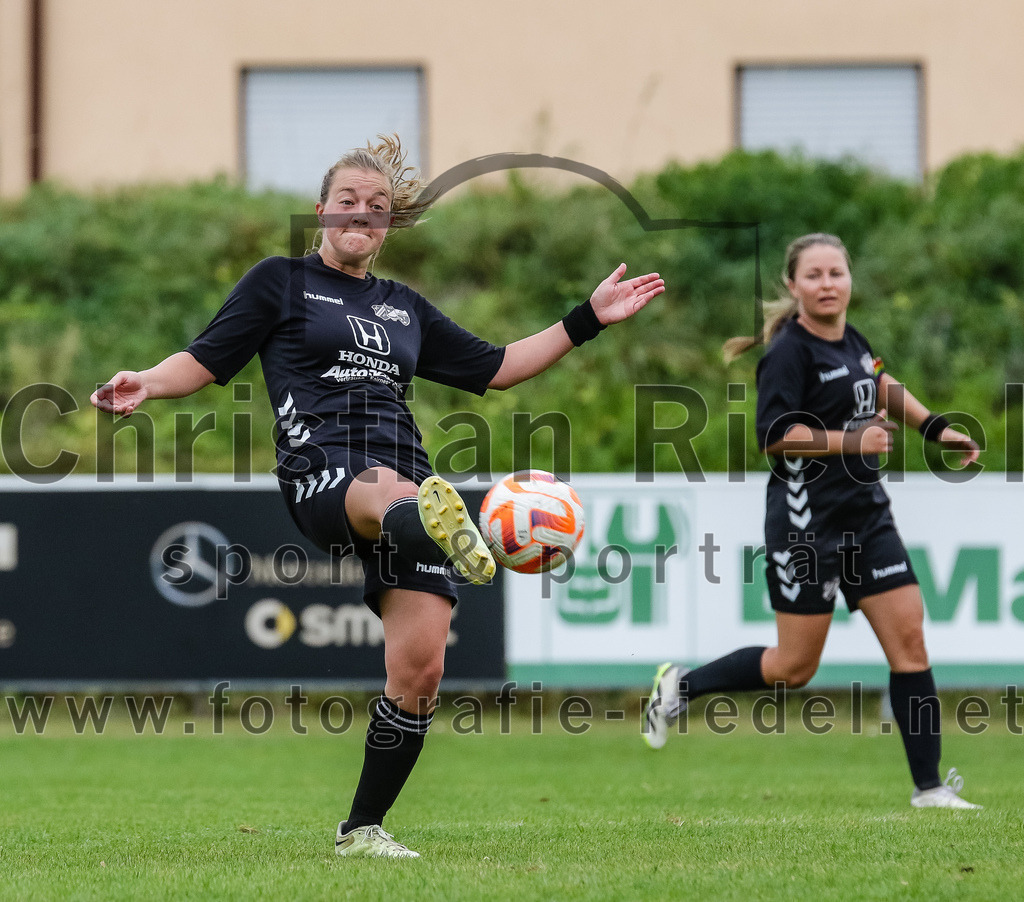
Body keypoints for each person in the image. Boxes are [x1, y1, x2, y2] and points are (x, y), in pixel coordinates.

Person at [92, 135, 665, 857]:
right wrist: (145, 379)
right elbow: (204, 362)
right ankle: (461, 531)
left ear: (390, 225)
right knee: (387, 491)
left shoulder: (405, 308)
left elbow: (501, 367)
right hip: (324, 470)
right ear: (322, 212)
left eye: (379, 207)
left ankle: (361, 829)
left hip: (411, 476)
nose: (362, 213)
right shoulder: (280, 282)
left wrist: (587, 318)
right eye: (348, 202)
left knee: (420, 674)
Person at [642, 232, 982, 810]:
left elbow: (880, 380)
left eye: (837, 273)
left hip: (867, 520)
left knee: (910, 646)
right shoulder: (789, 353)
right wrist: (852, 440)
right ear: (793, 286)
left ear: (850, 280)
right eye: (815, 275)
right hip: (805, 524)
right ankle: (681, 685)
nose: (828, 284)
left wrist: (935, 428)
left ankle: (929, 790)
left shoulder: (852, 339)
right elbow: (774, 437)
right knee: (793, 668)